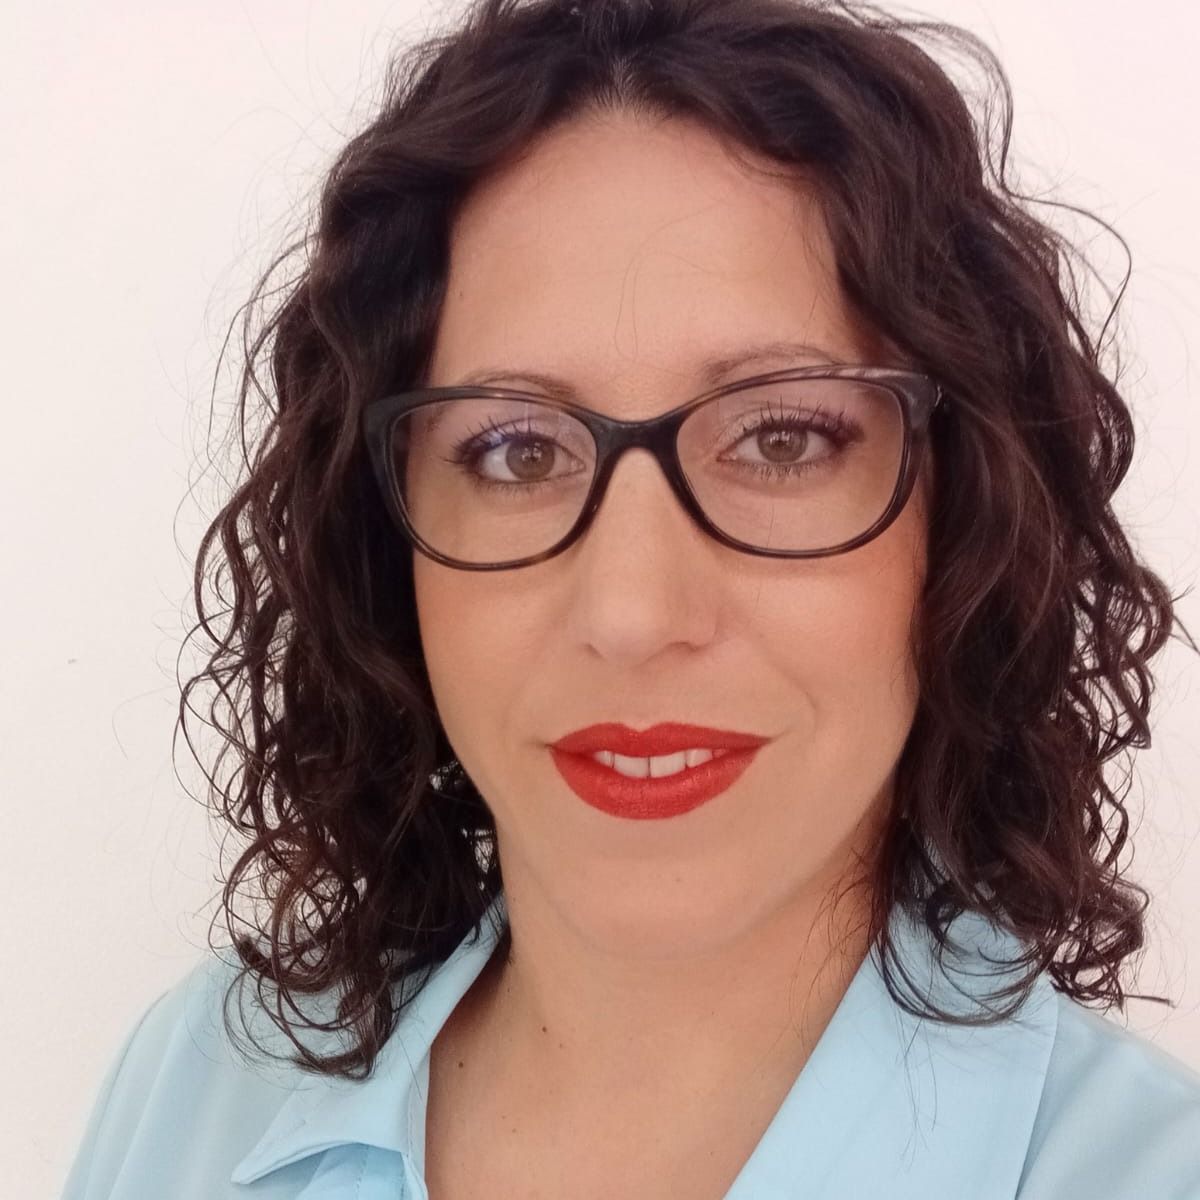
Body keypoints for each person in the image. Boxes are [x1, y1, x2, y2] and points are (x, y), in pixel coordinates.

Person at [61, 0, 1200, 1197]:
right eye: (514, 451)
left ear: (964, 518)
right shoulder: (198, 1084)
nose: (632, 613)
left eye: (781, 439)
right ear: (385, 546)